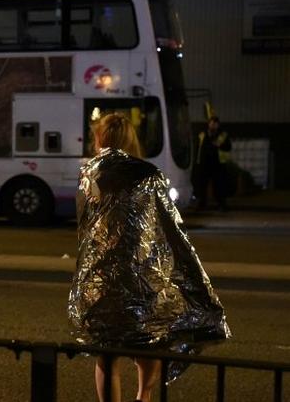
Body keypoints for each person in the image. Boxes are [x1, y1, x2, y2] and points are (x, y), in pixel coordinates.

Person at [68, 114, 230, 402]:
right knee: (150, 341)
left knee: (108, 351)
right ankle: (143, 397)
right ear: (131, 138)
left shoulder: (88, 174)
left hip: (101, 276)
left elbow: (85, 226)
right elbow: (167, 227)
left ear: (100, 138)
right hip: (143, 272)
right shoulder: (148, 174)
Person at [194, 115, 232, 211]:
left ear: (218, 125)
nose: (213, 126)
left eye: (215, 124)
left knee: (219, 186)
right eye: (211, 123)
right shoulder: (202, 134)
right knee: (202, 185)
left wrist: (219, 145)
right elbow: (197, 147)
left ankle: (222, 204)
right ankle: (202, 204)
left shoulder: (223, 135)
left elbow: (228, 147)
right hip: (204, 164)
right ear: (208, 124)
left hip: (218, 164)